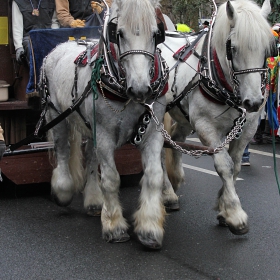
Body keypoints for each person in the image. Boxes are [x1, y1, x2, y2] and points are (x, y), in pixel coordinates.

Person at [12, 0, 59, 66]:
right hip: (29, 37)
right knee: (32, 48)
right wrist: (19, 47)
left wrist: (55, 39)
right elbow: (17, 26)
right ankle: (36, 74)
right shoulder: (18, 1)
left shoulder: (52, 1)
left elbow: (54, 22)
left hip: (47, 36)